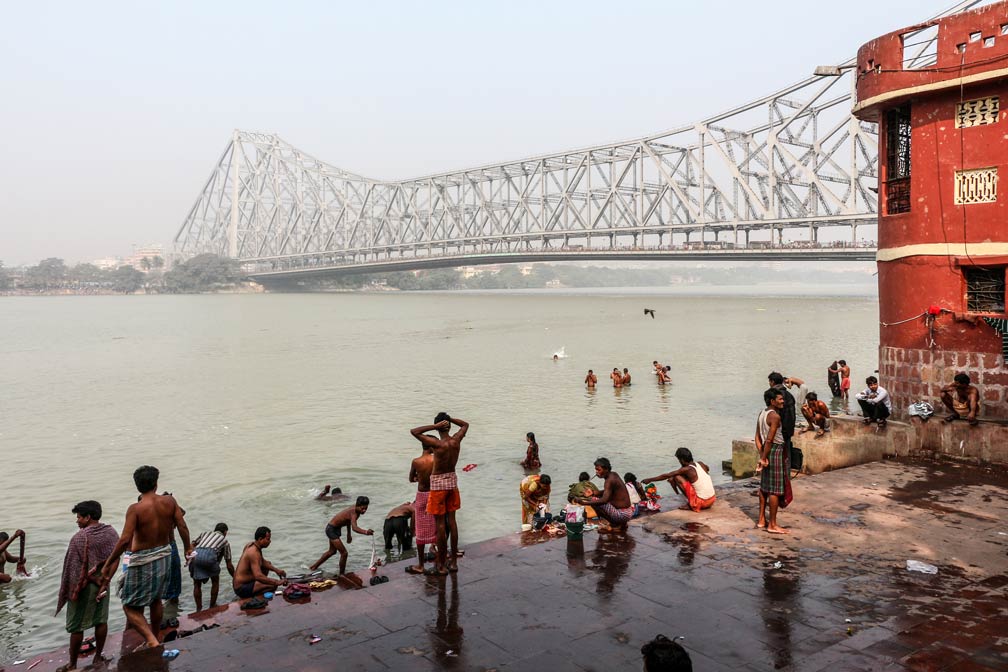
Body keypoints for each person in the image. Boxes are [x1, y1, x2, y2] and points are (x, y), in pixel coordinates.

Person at [98, 465, 192, 650]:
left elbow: (125, 539)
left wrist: (108, 563)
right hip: (165, 553)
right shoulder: (170, 501)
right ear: (156, 484)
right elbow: (182, 525)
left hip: (143, 558)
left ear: (137, 487)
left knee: (129, 605)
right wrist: (187, 547)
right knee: (156, 600)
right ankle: (155, 637)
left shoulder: (135, 509)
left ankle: (151, 639)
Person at [55, 501, 119, 672]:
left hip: (85, 586)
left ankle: (72, 664)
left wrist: (94, 580)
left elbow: (76, 570)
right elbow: (115, 558)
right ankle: (98, 656)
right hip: (103, 582)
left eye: (79, 517)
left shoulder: (80, 538)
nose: (77, 521)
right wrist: (105, 581)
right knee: (101, 619)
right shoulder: (111, 532)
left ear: (88, 517)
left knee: (76, 625)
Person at [410, 412, 469, 576]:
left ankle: (441, 566)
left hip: (438, 486)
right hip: (452, 481)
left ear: (439, 426)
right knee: (452, 521)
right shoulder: (455, 440)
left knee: (441, 525)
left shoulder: (436, 444)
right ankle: (454, 562)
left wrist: (435, 426)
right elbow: (465, 425)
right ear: (449, 426)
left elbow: (414, 431)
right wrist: (451, 420)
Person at [309, 496, 374, 575]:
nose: (364, 511)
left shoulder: (356, 510)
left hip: (336, 528)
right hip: (331, 529)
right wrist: (366, 532)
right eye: (362, 508)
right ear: (357, 505)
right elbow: (355, 528)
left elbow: (348, 521)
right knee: (344, 553)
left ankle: (313, 567)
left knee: (332, 551)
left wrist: (348, 534)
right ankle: (342, 574)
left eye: (366, 509)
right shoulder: (354, 513)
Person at [755, 388, 789, 534]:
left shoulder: (762, 413)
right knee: (775, 490)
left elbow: (757, 437)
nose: (783, 401)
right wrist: (764, 457)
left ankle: (762, 520)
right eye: (780, 399)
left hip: (766, 450)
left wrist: (762, 454)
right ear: (772, 401)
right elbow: (769, 439)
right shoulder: (775, 416)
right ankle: (772, 524)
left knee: (764, 487)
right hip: (774, 451)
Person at [642, 448, 716, 513]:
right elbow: (707, 468)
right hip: (712, 500)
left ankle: (691, 504)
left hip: (702, 503)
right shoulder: (700, 463)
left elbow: (667, 475)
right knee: (679, 478)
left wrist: (650, 479)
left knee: (677, 477)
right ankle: (691, 500)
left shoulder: (687, 469)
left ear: (682, 460)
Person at [575, 458, 634, 531]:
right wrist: (593, 492)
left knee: (594, 500)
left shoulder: (609, 480)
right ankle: (621, 524)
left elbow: (604, 500)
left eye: (599, 470)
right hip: (628, 513)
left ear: (606, 469)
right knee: (596, 498)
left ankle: (615, 524)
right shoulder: (613, 475)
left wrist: (584, 503)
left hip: (622, 515)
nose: (596, 472)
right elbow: (608, 490)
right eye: (596, 470)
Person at [188, 523, 235, 611]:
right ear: (225, 532)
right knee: (215, 581)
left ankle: (198, 609)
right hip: (209, 557)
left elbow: (192, 544)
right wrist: (236, 577)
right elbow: (229, 565)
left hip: (196, 555)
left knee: (197, 584)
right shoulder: (225, 541)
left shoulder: (204, 533)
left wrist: (191, 555)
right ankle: (212, 606)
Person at [407, 444, 436, 575]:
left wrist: (419, 478)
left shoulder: (416, 461)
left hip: (421, 494)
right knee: (437, 526)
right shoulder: (436, 459)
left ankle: (420, 565)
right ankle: (440, 560)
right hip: (434, 494)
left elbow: (411, 479)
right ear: (431, 448)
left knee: (420, 529)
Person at [233, 527, 286, 598]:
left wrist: (277, 570)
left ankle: (258, 587)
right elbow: (258, 576)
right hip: (241, 588)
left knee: (268, 564)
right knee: (273, 585)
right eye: (268, 539)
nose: (270, 541)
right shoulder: (254, 553)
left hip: (243, 582)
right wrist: (276, 582)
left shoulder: (251, 545)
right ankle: (254, 596)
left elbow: (263, 562)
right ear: (260, 539)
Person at [768, 372, 796, 454]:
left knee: (777, 454)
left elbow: (772, 413)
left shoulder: (773, 395)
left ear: (772, 382)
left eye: (769, 382)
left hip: (779, 429)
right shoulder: (789, 395)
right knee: (787, 453)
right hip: (789, 429)